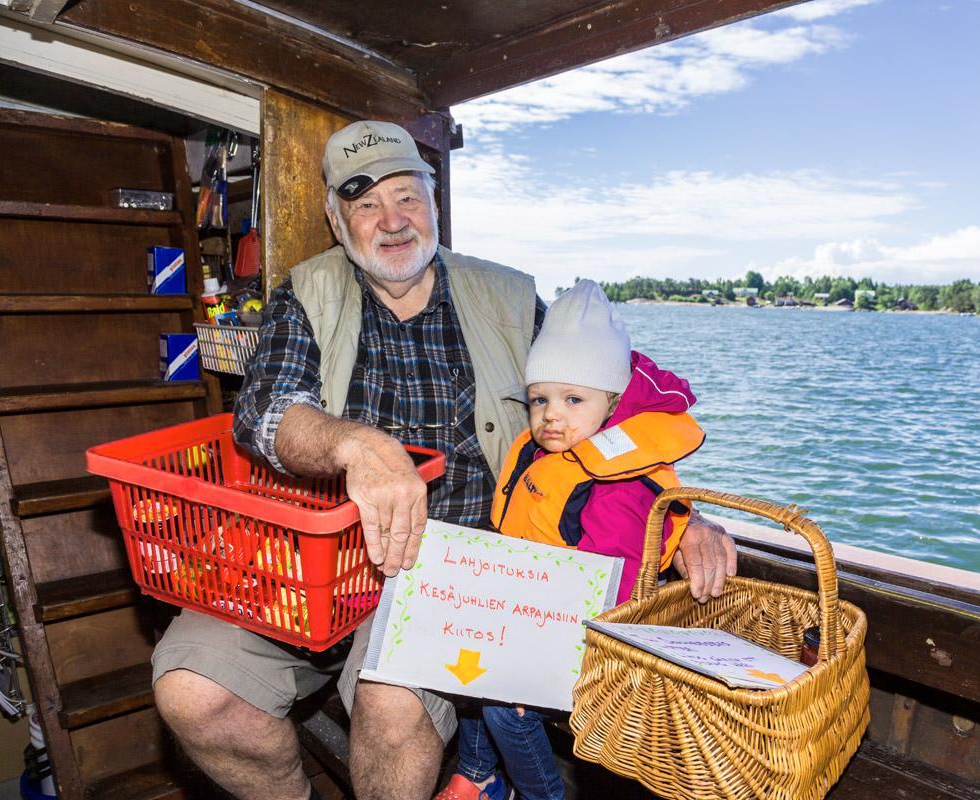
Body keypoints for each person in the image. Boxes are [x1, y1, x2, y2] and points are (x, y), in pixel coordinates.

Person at [149, 119, 738, 800]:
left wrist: (679, 518)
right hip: (303, 567)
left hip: (452, 574)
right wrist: (353, 444)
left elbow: (615, 401)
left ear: (436, 205)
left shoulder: (513, 298)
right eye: (366, 204)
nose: (392, 221)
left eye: (408, 196)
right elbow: (263, 412)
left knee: (393, 705)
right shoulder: (303, 293)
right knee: (192, 692)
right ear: (339, 223)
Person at [438, 280, 703, 800]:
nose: (550, 414)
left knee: (504, 707)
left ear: (613, 403)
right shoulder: (546, 455)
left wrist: (535, 654)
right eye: (539, 400)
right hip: (531, 612)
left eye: (573, 398)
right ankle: (479, 775)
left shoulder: (620, 485)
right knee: (463, 660)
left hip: (598, 638)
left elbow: (611, 592)